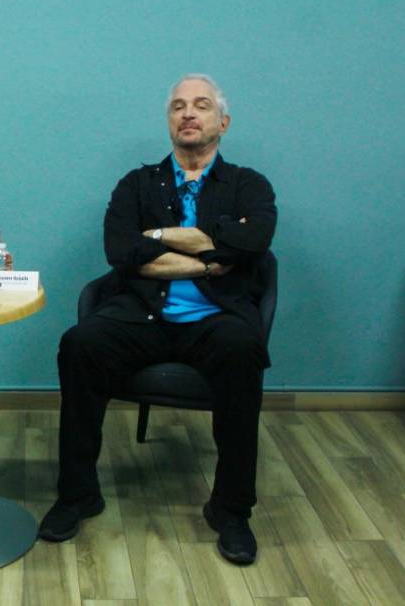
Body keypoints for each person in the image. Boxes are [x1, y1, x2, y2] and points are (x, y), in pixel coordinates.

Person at [38, 74, 277, 565]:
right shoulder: (137, 183)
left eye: (202, 105)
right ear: (169, 120)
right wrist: (212, 254)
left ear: (223, 123)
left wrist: (158, 236)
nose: (188, 113)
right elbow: (121, 251)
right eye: (178, 106)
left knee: (242, 350)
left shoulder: (248, 185)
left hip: (216, 318)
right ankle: (77, 495)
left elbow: (252, 243)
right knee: (79, 344)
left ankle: (231, 511)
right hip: (140, 314)